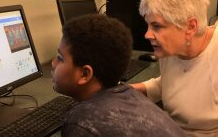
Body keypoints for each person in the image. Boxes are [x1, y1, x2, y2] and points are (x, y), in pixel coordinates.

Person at [51, 14, 185, 137]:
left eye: (60, 58)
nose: (53, 63)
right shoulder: (131, 95)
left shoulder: (83, 124)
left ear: (85, 74)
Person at [131, 0, 218, 136]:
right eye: (148, 25)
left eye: (156, 26)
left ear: (190, 27)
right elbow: (168, 83)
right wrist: (128, 90)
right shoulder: (170, 50)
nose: (147, 35)